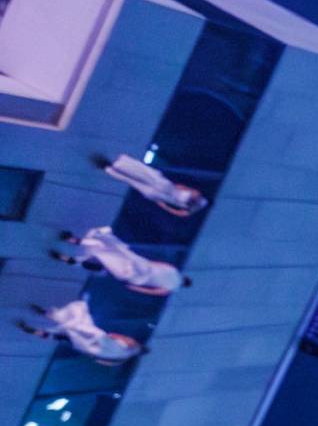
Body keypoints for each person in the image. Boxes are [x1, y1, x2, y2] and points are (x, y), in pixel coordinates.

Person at [53, 226, 189, 296]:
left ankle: (75, 242)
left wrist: (142, 261)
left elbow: (157, 264)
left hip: (142, 266)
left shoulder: (174, 270)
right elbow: (151, 292)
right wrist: (134, 288)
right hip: (133, 276)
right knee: (105, 258)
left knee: (112, 251)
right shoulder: (171, 289)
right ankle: (72, 257)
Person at [18, 298, 143, 363]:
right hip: (88, 348)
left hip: (96, 339)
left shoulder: (129, 345)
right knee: (62, 337)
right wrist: (93, 355)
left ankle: (46, 314)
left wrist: (110, 337)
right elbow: (102, 361)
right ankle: (34, 331)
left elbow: (115, 336)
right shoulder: (120, 360)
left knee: (74, 323)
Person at [99, 153, 206, 216]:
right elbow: (183, 189)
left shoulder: (192, 203)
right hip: (162, 192)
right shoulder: (192, 203)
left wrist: (164, 205)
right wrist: (164, 205)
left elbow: (184, 193)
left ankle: (118, 166)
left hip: (162, 191)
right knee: (140, 176)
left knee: (143, 175)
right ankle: (115, 168)